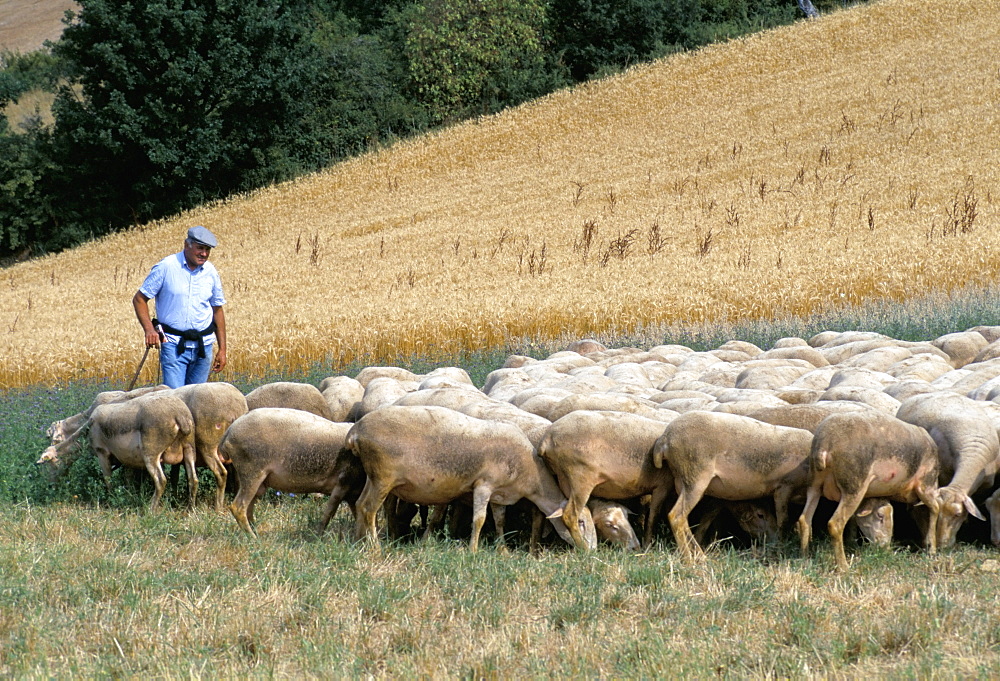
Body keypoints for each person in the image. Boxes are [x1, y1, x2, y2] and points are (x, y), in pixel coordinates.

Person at [132, 225, 227, 388]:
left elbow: (217, 310)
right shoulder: (166, 267)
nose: (204, 254)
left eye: (207, 250)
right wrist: (149, 329)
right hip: (173, 346)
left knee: (197, 403)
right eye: (199, 248)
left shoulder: (211, 272)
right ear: (186, 245)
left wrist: (222, 350)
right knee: (175, 401)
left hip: (204, 348)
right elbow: (139, 299)